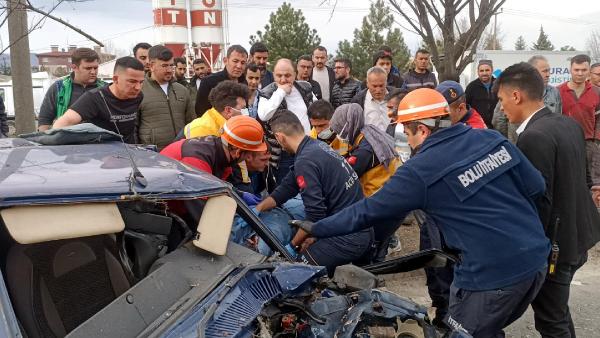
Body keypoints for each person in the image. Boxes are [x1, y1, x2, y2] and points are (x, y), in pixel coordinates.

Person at [292, 88, 551, 337]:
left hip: (490, 277)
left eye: (406, 131)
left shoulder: (419, 171)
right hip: (536, 260)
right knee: (490, 329)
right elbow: (536, 186)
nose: (405, 137)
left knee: (465, 331)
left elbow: (366, 212)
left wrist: (317, 227)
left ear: (423, 129)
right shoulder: (490, 138)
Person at [498, 62, 600, 338]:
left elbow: (539, 201)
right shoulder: (567, 123)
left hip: (557, 246)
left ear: (516, 96)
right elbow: (581, 179)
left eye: (502, 99)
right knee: (558, 312)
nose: (502, 107)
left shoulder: (534, 137)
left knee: (550, 321)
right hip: (580, 233)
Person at [255, 110, 374, 272]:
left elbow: (315, 215)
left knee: (292, 272)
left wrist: (290, 246)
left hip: (348, 237)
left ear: (280, 137)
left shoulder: (306, 160)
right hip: (360, 226)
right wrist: (258, 209)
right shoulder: (316, 146)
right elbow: (286, 189)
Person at [53, 57, 145, 143]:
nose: (138, 87)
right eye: (132, 82)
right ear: (115, 79)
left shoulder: (138, 96)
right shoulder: (94, 98)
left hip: (129, 154)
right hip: (101, 155)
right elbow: (64, 122)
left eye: (141, 82)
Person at [257, 58, 317, 184]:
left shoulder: (305, 88)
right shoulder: (267, 92)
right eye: (279, 75)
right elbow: (264, 115)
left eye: (288, 75)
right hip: (284, 153)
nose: (283, 80)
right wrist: (281, 92)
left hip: (307, 147)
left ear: (295, 74)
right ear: (273, 75)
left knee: (310, 185)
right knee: (286, 189)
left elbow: (317, 109)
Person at [330, 103, 398, 197]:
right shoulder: (367, 132)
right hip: (388, 188)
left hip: (376, 196)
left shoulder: (364, 151)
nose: (338, 134)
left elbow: (345, 175)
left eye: (338, 129)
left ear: (346, 126)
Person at [493, 55, 562, 143]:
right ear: (533, 72)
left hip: (546, 144)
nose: (548, 75)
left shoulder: (554, 92)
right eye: (545, 71)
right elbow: (498, 120)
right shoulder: (512, 91)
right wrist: (510, 140)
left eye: (549, 71)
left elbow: (556, 118)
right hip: (518, 145)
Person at [137, 46, 195, 150]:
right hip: (153, 155)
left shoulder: (182, 90)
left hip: (180, 151)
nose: (169, 70)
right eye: (164, 66)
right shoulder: (139, 90)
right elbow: (133, 127)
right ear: (151, 66)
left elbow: (191, 123)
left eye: (171, 65)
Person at [38, 47, 105, 131]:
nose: (93, 72)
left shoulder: (105, 89)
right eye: (88, 68)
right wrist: (46, 141)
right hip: (66, 141)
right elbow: (44, 120)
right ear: (74, 67)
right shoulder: (59, 88)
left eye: (95, 68)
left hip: (100, 141)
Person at [558, 54, 600, 186]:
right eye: (576, 70)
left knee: (591, 183)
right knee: (567, 180)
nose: (580, 73)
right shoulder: (558, 91)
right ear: (570, 69)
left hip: (589, 144)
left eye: (584, 70)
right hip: (564, 143)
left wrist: (596, 141)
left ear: (589, 71)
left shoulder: (597, 92)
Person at [181, 80, 249, 139]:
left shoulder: (225, 124)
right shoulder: (202, 131)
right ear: (228, 110)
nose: (246, 112)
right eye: (243, 108)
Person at [195, 45, 247, 117]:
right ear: (225, 61)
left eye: (243, 63)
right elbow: (201, 111)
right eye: (235, 61)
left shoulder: (244, 83)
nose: (239, 66)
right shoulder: (209, 82)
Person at [351, 66, 393, 131]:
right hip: (368, 140)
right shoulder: (358, 100)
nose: (378, 90)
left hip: (393, 139)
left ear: (386, 82)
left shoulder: (397, 96)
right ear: (367, 84)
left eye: (381, 86)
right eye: (374, 86)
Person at [465, 59, 498, 128]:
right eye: (481, 71)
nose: (484, 73)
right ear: (478, 72)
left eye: (487, 70)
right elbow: (465, 107)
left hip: (497, 127)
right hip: (478, 127)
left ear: (492, 71)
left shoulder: (499, 85)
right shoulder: (471, 87)